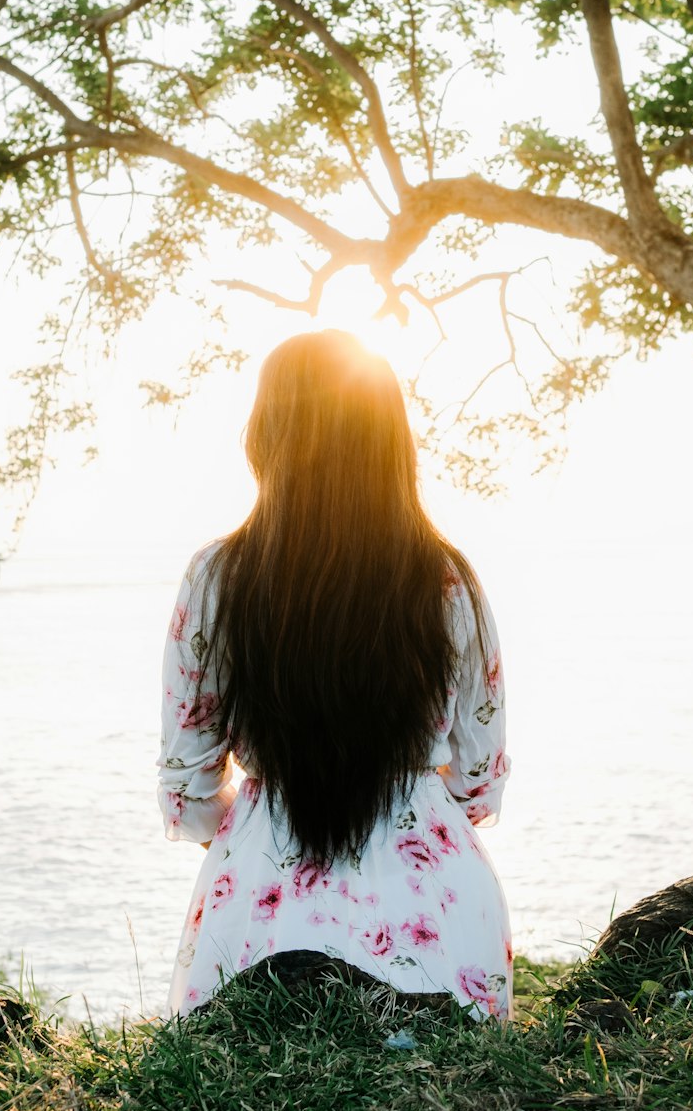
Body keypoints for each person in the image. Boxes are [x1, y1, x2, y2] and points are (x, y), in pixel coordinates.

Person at [157, 329, 512, 1019]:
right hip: (437, 902)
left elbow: (187, 786)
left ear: (268, 435)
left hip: (261, 901)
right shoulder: (449, 580)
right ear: (392, 444)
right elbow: (481, 776)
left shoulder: (216, 579)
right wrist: (409, 808)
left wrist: (262, 821)